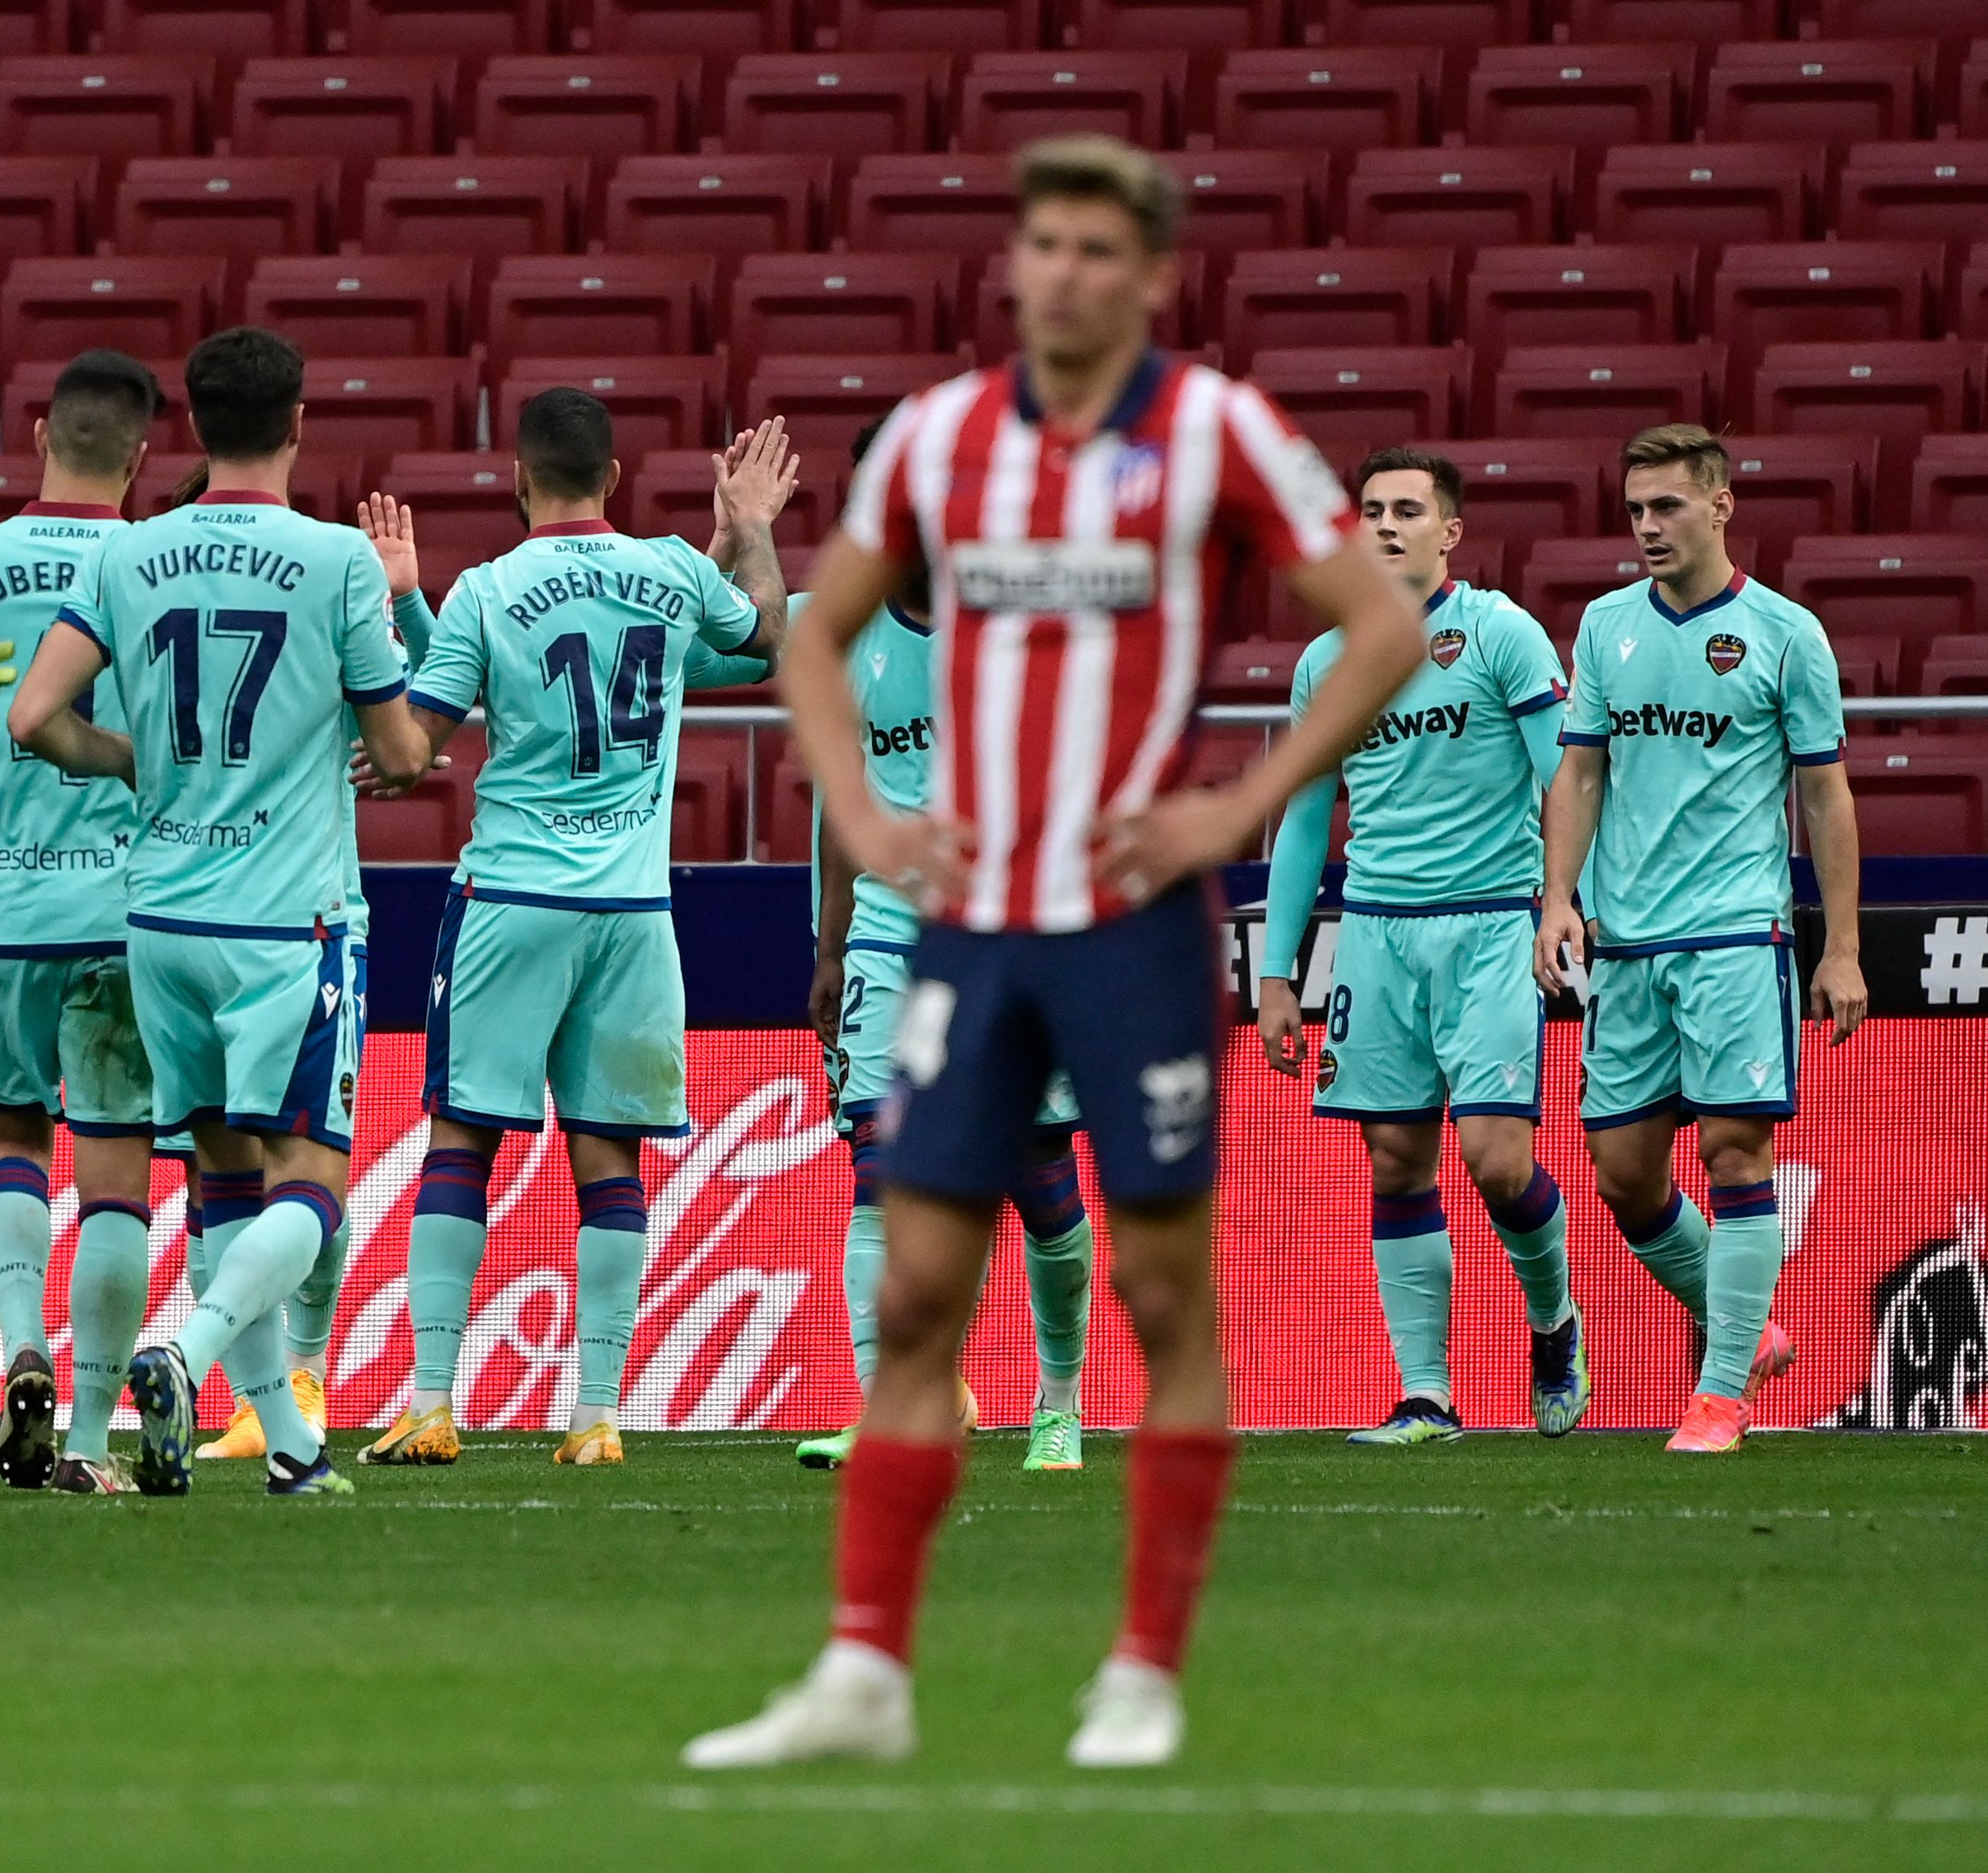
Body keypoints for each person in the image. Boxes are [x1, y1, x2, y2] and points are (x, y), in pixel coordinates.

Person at [681, 135, 1426, 1772]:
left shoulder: (1215, 430)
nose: (1066, 273)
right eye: (1043, 246)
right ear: (1012, 268)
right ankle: (863, 1669)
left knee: (1165, 1292)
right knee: (921, 1287)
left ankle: (1144, 1668)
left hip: (1134, 929)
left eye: (1100, 249)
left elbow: (1382, 627)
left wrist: (1243, 803)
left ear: (1151, 276)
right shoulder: (942, 440)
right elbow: (809, 632)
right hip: (962, 922)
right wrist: (867, 827)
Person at [11, 325, 431, 1496]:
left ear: (189, 429)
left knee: (220, 1175)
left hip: (161, 919)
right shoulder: (338, 561)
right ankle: (182, 1353)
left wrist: (132, 760)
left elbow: (32, 716)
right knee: (311, 1178)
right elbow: (398, 750)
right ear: (298, 426)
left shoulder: (127, 556)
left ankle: (290, 1454)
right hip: (287, 920)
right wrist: (400, 653)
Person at [349, 393, 788, 1468]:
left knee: (464, 1140)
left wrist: (399, 636)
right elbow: (766, 637)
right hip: (633, 916)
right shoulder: (674, 571)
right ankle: (595, 1414)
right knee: (610, 1157)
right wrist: (753, 535)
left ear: (514, 476)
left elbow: (421, 734)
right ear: (617, 475)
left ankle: (435, 1400)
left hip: (511, 904)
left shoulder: (492, 591)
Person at [1536, 423, 1868, 1455]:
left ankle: (1719, 1394)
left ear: (1719, 506)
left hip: (1735, 932)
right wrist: (1556, 897)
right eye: (1634, 509)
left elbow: (1824, 794)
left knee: (1735, 1147)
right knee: (1622, 1175)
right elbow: (1580, 772)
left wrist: (1841, 945)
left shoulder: (1783, 632)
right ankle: (1749, 1330)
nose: (1645, 526)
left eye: (1666, 505)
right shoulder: (1601, 627)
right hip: (1624, 943)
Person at [1255, 447, 1590, 1446]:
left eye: (1407, 510)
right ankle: (1426, 1396)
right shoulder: (1327, 661)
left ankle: (1552, 1319)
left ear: (1448, 532)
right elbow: (1306, 822)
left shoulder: (1498, 635)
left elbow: (1560, 780)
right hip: (1374, 935)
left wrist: (1563, 903)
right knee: (1394, 1161)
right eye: (1370, 510)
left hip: (1491, 924)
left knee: (1494, 1160)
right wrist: (1277, 969)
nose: (1385, 525)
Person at [800, 416, 1103, 1477]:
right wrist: (828, 946)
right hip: (889, 934)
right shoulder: (840, 630)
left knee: (1037, 1181)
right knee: (881, 1168)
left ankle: (1058, 1398)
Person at [0, 352, 164, 1494]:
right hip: (124, 907)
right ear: (142, 454)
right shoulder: (157, 562)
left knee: (10, 1144)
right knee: (117, 1178)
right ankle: (91, 1438)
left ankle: (16, 1352)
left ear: (37, 437)